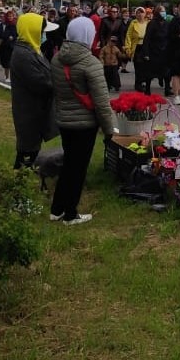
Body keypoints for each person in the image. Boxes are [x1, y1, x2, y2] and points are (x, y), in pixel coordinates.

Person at [49, 16, 118, 225]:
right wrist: (110, 130)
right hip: (84, 125)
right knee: (77, 169)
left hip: (64, 121)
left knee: (69, 165)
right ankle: (70, 214)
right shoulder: (91, 63)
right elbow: (102, 102)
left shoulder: (57, 59)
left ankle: (57, 208)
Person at [10, 13, 58, 169]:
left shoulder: (33, 49)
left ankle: (24, 176)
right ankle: (20, 181)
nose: (44, 35)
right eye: (42, 31)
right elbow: (41, 83)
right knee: (27, 148)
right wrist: (59, 83)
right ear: (32, 30)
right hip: (29, 109)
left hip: (36, 108)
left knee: (32, 146)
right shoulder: (23, 55)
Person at [139, 4, 170, 95]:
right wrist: (146, 53)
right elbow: (147, 39)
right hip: (153, 51)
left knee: (166, 72)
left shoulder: (166, 23)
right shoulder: (152, 23)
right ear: (157, 12)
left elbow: (168, 37)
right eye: (161, 11)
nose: (163, 13)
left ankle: (167, 89)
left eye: (164, 11)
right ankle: (148, 89)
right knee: (150, 72)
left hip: (164, 51)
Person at [0, 8, 18, 83]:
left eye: (11, 16)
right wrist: (7, 37)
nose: (10, 17)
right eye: (8, 16)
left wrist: (13, 37)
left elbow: (17, 34)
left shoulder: (15, 25)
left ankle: (10, 76)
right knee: (6, 62)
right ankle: (7, 76)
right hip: (4, 45)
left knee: (11, 62)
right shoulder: (3, 24)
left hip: (12, 46)